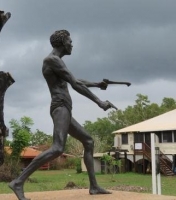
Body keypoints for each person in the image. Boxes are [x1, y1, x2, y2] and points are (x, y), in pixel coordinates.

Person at [9, 30, 117, 200]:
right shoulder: (51, 60)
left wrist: (96, 83)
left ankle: (94, 186)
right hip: (60, 107)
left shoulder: (57, 62)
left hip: (64, 108)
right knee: (58, 148)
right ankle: (18, 181)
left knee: (88, 141)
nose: (72, 44)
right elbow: (74, 84)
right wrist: (99, 101)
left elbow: (75, 80)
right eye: (70, 41)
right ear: (61, 43)